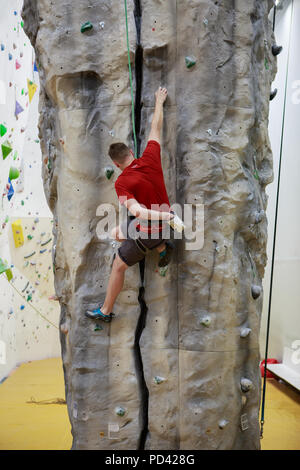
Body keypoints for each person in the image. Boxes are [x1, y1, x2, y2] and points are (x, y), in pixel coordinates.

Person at [85, 86, 174, 322]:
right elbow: (156, 128)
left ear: (116, 164)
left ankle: (105, 311)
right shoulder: (151, 157)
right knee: (118, 231)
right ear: (132, 152)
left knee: (118, 265)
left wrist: (164, 218)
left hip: (155, 227)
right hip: (165, 219)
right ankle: (162, 247)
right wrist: (159, 101)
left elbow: (137, 211)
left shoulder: (122, 182)